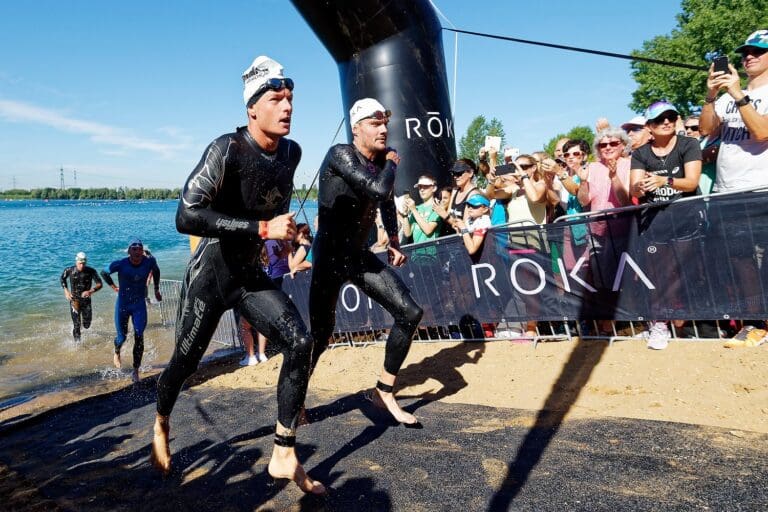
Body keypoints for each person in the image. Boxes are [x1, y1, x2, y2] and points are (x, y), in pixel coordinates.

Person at [150, 56, 325, 495]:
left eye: (290, 99)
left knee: (299, 341)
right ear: (252, 108)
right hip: (211, 277)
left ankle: (284, 452)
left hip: (249, 274)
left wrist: (284, 234)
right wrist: (261, 229)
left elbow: (270, 206)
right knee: (184, 364)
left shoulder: (292, 152)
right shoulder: (226, 149)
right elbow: (186, 215)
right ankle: (161, 418)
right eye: (275, 98)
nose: (287, 107)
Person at [309, 97, 423, 427]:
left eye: (385, 122)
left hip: (357, 257)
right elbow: (377, 190)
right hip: (329, 259)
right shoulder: (341, 155)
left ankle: (383, 391)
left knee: (410, 313)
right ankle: (295, 398)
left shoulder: (379, 165)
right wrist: (393, 162)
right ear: (357, 128)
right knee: (319, 335)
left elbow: (385, 200)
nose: (384, 129)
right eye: (375, 123)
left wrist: (395, 240)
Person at [630, 101, 703, 350]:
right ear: (649, 126)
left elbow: (691, 182)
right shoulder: (640, 153)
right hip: (655, 223)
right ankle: (659, 324)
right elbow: (634, 187)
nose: (666, 122)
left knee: (686, 274)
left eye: (671, 117)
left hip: (687, 220)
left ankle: (685, 327)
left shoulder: (688, 144)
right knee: (659, 275)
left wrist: (665, 180)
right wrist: (640, 186)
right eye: (660, 119)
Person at [701, 29, 768, 192]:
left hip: (760, 189)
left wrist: (737, 94)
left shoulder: (734, 93)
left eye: (758, 51)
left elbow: (762, 132)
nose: (749, 57)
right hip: (723, 190)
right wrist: (711, 94)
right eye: (745, 53)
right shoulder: (727, 97)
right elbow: (705, 129)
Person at [101, 238, 161, 382]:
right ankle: (117, 351)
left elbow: (156, 270)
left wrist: (156, 289)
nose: (137, 252)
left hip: (139, 305)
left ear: (142, 251)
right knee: (122, 337)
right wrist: (114, 287)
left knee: (139, 335)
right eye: (134, 249)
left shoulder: (149, 262)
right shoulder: (121, 264)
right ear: (129, 251)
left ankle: (135, 370)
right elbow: (104, 272)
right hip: (123, 305)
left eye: (139, 249)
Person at [60, 251, 102, 343]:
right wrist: (66, 291)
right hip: (74, 300)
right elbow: (62, 278)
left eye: (83, 263)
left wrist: (90, 291)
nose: (81, 266)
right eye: (80, 263)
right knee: (77, 325)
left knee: (87, 325)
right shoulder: (69, 270)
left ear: (86, 262)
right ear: (76, 262)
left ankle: (81, 327)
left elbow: (100, 284)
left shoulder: (91, 271)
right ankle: (77, 345)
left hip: (86, 301)